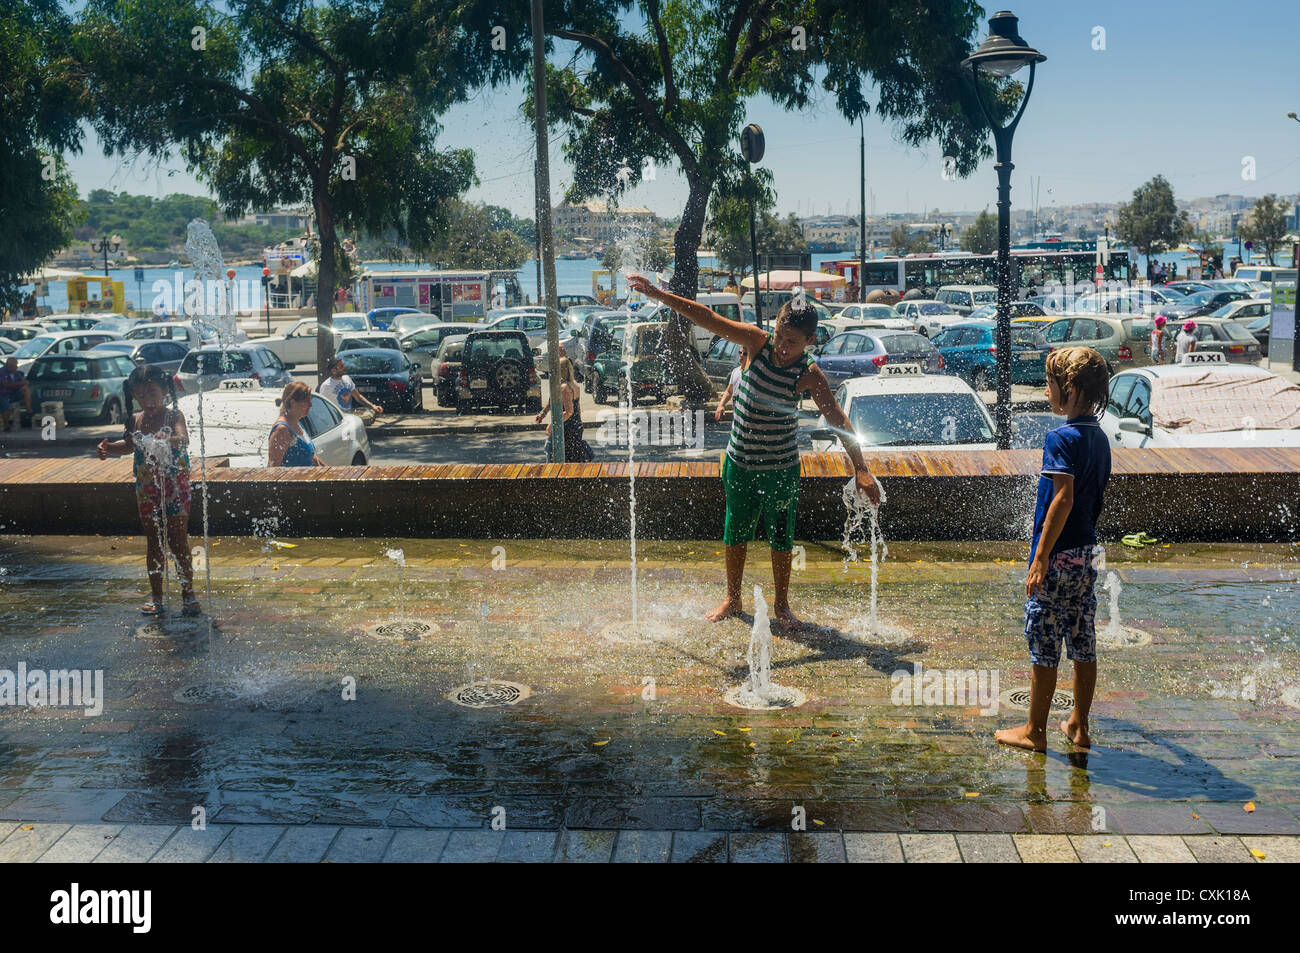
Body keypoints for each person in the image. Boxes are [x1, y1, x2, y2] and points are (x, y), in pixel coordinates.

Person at [625, 272, 881, 631]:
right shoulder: (756, 343)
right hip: (740, 464)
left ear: (809, 341)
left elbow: (837, 417)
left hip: (781, 469)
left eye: (791, 342)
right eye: (779, 336)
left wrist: (861, 467)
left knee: (781, 536)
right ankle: (732, 598)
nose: (782, 346)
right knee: (735, 531)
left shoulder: (809, 375)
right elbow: (708, 318)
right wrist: (658, 294)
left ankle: (782, 606)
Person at [996, 346, 1111, 752]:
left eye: (1050, 383)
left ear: (1073, 388)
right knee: (1083, 640)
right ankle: (1079, 726)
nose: (1047, 391)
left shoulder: (1060, 437)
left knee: (1044, 642)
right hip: (1085, 553)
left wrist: (1041, 556)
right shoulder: (1099, 438)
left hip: (1058, 555)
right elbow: (1091, 500)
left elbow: (1062, 499)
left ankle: (1034, 731)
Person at [97, 365, 200, 616]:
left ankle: (188, 594)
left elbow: (183, 439)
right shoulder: (135, 419)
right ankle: (157, 596)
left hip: (175, 487)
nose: (148, 400)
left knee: (177, 541)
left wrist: (168, 439)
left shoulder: (174, 416)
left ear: (164, 390)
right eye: (141, 395)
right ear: (133, 395)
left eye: (153, 393)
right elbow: (130, 446)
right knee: (154, 541)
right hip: (147, 488)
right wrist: (109, 447)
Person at [535, 356, 591, 462]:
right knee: (573, 458)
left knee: (552, 453)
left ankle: (553, 477)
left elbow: (569, 412)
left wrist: (552, 424)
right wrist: (542, 414)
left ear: (561, 370)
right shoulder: (575, 385)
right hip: (576, 425)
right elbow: (576, 407)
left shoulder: (564, 387)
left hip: (566, 427)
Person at [268, 381, 324, 467]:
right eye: (306, 401)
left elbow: (311, 457)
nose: (310, 405)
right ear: (292, 402)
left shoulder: (297, 423)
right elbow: (273, 468)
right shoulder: (282, 429)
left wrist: (330, 471)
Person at [319, 356, 383, 423]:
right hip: (336, 423)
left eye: (343, 365)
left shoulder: (347, 379)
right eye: (341, 367)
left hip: (348, 420)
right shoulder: (326, 386)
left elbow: (358, 397)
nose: (344, 368)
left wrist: (373, 406)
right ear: (334, 371)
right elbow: (322, 408)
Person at [713, 344, 750, 421]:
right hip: (736, 412)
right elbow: (729, 391)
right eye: (740, 352)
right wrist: (721, 405)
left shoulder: (752, 373)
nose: (741, 355)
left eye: (745, 354)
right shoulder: (735, 371)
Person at [0, 357, 33, 430]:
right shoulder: (2, 372)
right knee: (6, 407)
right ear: (8, 365)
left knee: (25, 389)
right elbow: (6, 385)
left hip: (13, 393)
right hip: (3, 394)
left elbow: (23, 382)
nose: (16, 367)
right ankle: (6, 425)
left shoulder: (16, 373)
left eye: (16, 365)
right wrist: (20, 383)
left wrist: (23, 385)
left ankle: (29, 410)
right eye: (14, 366)